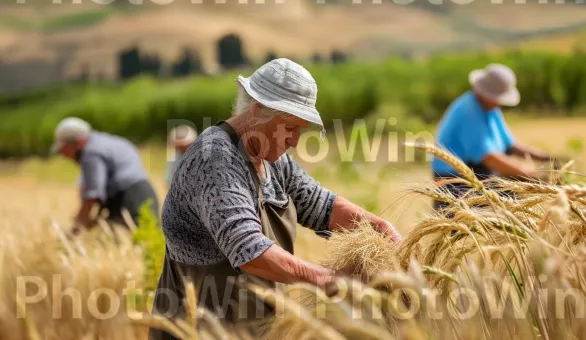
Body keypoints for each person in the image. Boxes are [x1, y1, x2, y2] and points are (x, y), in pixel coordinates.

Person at [150, 58, 402, 339]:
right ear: (257, 110)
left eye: (300, 130)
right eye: (290, 128)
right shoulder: (215, 160)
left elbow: (322, 206)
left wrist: (381, 229)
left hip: (255, 330)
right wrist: (326, 279)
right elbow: (249, 250)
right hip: (198, 331)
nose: (295, 141)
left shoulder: (273, 160)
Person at [431, 63, 557, 210]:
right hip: (454, 180)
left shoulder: (490, 108)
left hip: (476, 172)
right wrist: (532, 176)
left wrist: (546, 157)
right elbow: (489, 157)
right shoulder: (469, 112)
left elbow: (510, 144)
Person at [51, 117, 159, 232]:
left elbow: (92, 195)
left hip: (128, 200)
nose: (63, 155)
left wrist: (77, 227)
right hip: (146, 193)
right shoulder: (108, 141)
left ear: (78, 142)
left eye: (63, 149)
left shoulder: (90, 153)